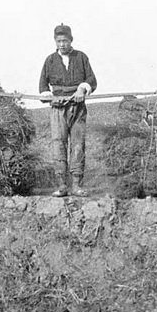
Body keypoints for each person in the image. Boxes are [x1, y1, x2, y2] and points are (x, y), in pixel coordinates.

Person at [39, 23, 97, 197]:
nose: (62, 44)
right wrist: (48, 95)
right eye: (59, 41)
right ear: (55, 42)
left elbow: (91, 79)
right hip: (57, 109)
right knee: (58, 145)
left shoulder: (81, 57)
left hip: (77, 108)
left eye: (65, 41)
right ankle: (62, 185)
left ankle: (77, 185)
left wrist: (82, 89)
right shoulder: (49, 60)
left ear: (71, 40)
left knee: (78, 145)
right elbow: (43, 84)